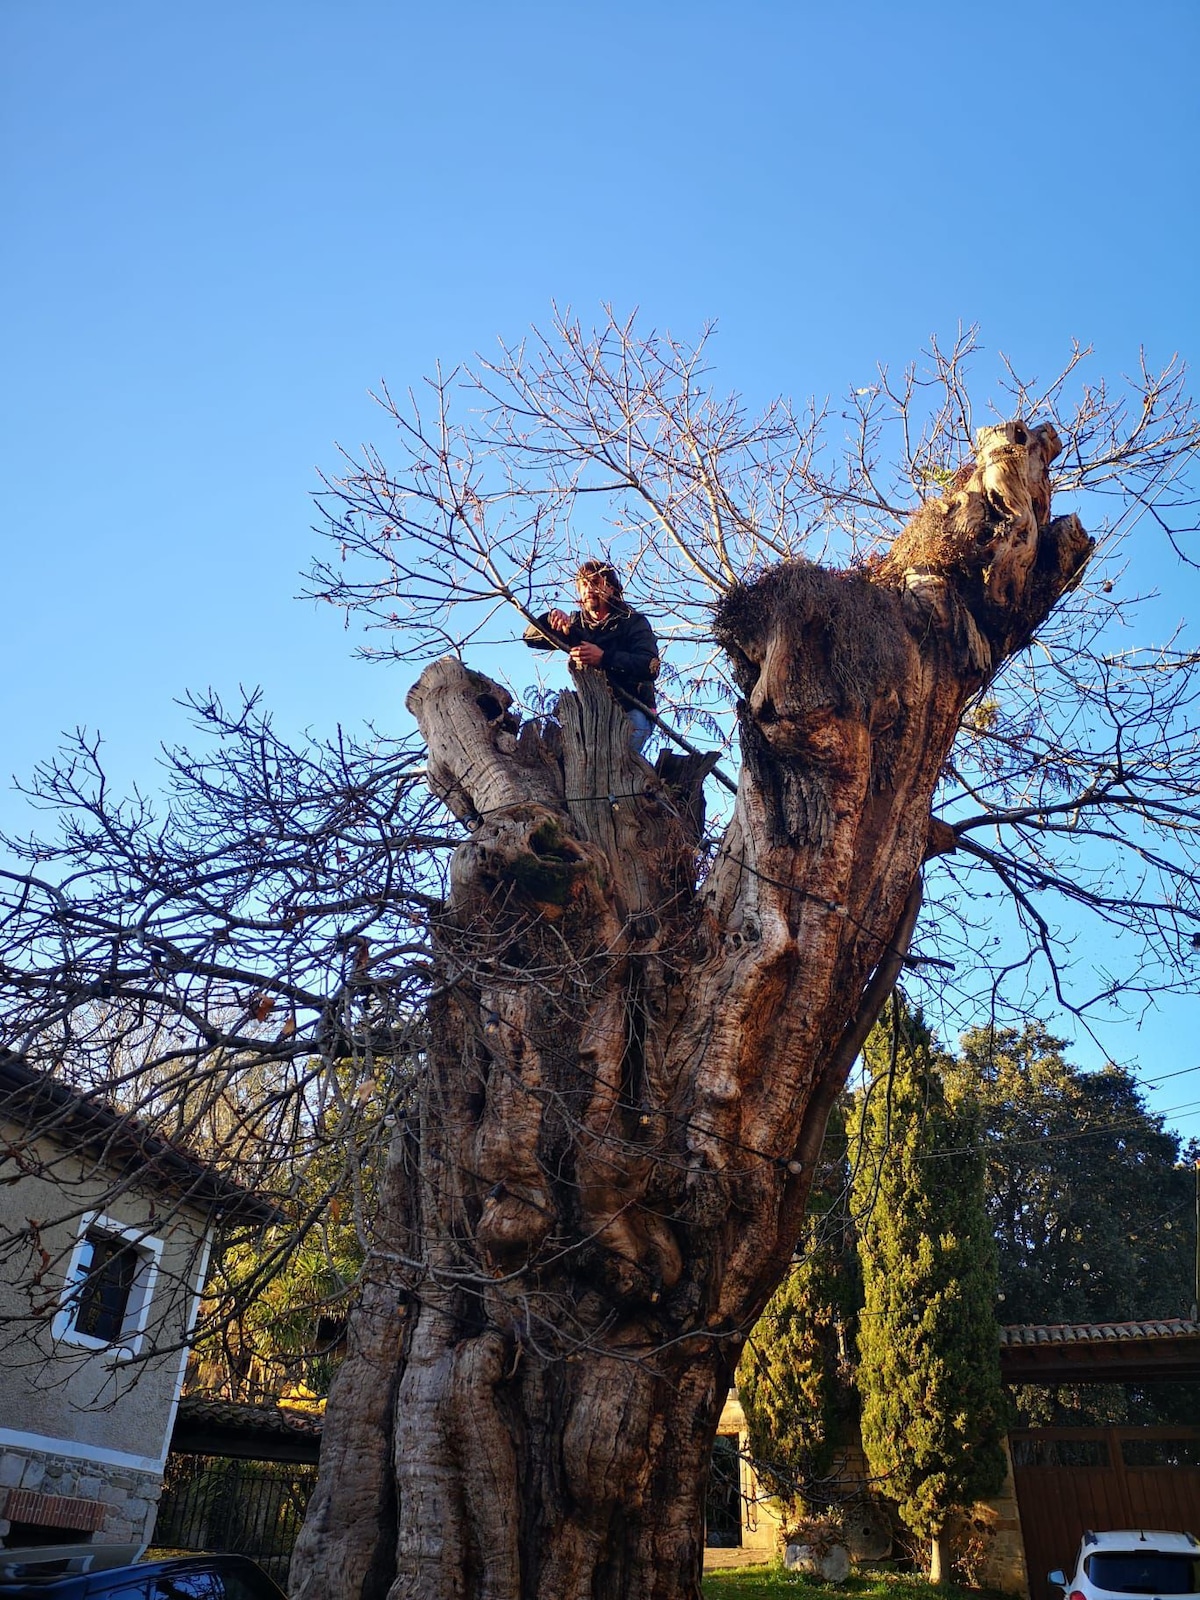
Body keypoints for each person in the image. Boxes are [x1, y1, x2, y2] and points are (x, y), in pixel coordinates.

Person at [523, 560, 660, 752]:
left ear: (611, 588)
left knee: (620, 753)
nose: (589, 589)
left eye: (595, 582)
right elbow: (531, 638)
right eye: (584, 585)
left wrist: (604, 658)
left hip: (633, 708)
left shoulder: (633, 622)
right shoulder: (575, 625)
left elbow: (649, 666)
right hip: (591, 710)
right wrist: (550, 618)